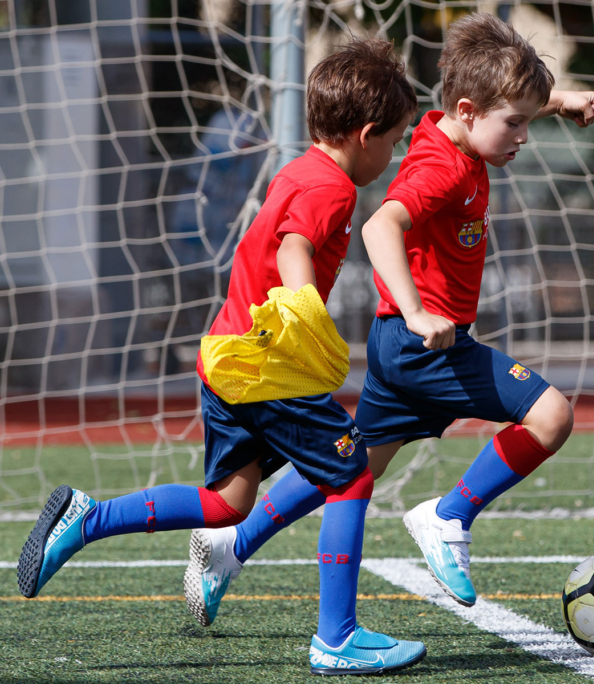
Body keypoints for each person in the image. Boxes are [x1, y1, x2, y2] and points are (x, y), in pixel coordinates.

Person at [17, 38, 426, 677]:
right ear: (367, 134)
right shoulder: (334, 191)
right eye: (395, 140)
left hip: (228, 358)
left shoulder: (298, 169)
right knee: (350, 475)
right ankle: (337, 639)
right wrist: (303, 316)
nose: (395, 153)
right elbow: (295, 249)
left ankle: (86, 519)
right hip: (269, 367)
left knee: (228, 504)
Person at [183, 11, 594, 621]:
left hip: (401, 345)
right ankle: (449, 514)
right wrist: (414, 310)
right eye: (514, 123)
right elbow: (384, 223)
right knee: (551, 416)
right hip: (418, 345)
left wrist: (556, 100)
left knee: (349, 465)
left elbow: (493, 111)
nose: (520, 135)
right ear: (467, 112)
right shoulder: (440, 168)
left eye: (523, 120)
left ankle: (231, 546)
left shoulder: (454, 129)